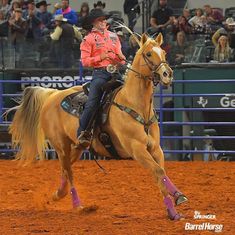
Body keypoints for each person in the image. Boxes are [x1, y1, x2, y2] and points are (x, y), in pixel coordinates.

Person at [76, 8, 125, 147]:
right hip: (100, 73)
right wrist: (100, 57)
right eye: (100, 19)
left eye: (104, 19)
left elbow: (119, 56)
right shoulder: (88, 39)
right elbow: (85, 61)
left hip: (116, 72)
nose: (104, 21)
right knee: (92, 103)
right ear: (94, 22)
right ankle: (82, 132)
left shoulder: (114, 37)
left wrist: (121, 58)